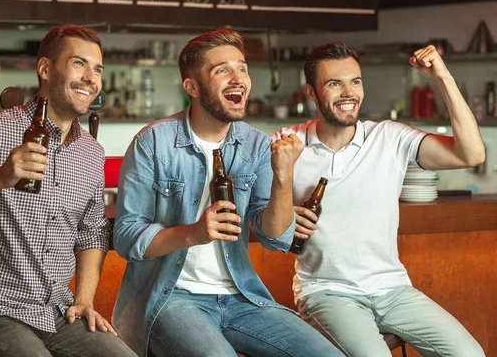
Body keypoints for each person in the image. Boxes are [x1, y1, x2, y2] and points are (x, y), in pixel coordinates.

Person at [112, 29, 343, 357]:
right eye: (222, 70)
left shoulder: (256, 145)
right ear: (192, 87)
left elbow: (275, 238)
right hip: (172, 298)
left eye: (242, 68)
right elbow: (126, 237)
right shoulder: (153, 142)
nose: (238, 79)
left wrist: (283, 176)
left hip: (242, 298)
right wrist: (194, 233)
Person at [0, 24, 137, 357]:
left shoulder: (91, 152)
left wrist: (85, 300)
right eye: (79, 64)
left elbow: (91, 233)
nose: (91, 77)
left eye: (97, 69)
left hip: (58, 315)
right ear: (45, 68)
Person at [274, 41, 486, 357]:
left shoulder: (389, 136)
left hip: (393, 288)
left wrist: (443, 77)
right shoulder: (287, 142)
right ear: (310, 92)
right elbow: (263, 219)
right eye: (335, 83)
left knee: (470, 354)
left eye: (355, 81)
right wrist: (284, 207)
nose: (348, 92)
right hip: (327, 292)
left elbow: (471, 153)